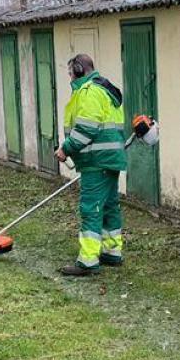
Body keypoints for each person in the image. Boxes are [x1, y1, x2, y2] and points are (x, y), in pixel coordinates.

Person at [55, 54, 127, 276]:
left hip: (96, 162)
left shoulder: (89, 92)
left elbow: (86, 129)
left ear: (78, 69)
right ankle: (112, 252)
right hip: (109, 160)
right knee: (108, 207)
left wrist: (65, 148)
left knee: (91, 208)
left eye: (70, 73)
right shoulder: (104, 90)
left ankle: (87, 260)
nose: (69, 78)